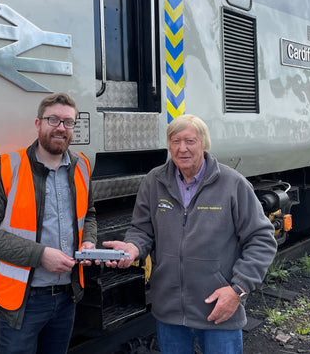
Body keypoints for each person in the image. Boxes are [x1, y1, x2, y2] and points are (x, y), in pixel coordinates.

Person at [103, 114, 277, 354]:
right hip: (169, 308)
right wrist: (133, 247)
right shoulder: (154, 181)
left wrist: (238, 289)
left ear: (204, 144)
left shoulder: (232, 184)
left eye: (190, 141)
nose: (182, 148)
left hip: (218, 306)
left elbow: (261, 239)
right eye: (175, 141)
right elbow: (142, 229)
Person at [0, 92, 97, 354]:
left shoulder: (81, 166)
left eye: (68, 122)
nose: (61, 128)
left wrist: (89, 241)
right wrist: (41, 256)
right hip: (24, 301)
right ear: (38, 124)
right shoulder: (7, 167)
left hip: (67, 296)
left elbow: (90, 213)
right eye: (53, 120)